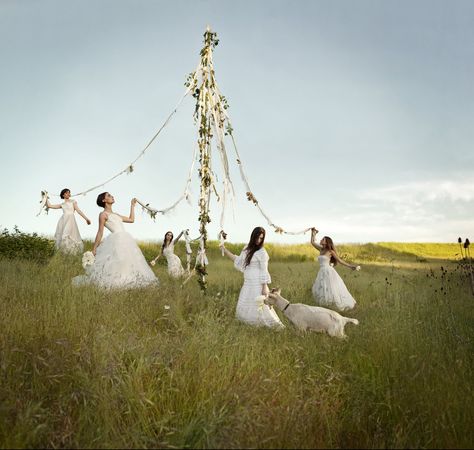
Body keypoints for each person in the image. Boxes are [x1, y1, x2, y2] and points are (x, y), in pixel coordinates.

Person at [73, 192, 158, 289]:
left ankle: (127, 281)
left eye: (111, 195)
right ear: (104, 200)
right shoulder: (103, 214)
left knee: (128, 261)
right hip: (117, 240)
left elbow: (131, 219)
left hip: (126, 239)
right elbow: (100, 232)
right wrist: (94, 248)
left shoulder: (116, 214)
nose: (112, 196)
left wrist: (132, 206)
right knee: (119, 260)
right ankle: (118, 282)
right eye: (109, 196)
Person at [221, 227, 284, 328]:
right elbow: (239, 261)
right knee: (245, 302)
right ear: (252, 236)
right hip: (248, 282)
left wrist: (264, 286)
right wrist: (225, 250)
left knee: (260, 304)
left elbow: (264, 270)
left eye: (261, 238)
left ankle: (263, 325)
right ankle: (247, 324)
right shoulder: (246, 248)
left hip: (258, 283)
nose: (258, 241)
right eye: (257, 238)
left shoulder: (262, 252)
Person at [310, 228, 359, 311]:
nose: (321, 240)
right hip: (322, 271)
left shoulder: (330, 251)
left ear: (327, 242)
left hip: (329, 272)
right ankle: (325, 305)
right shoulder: (321, 249)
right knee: (322, 289)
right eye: (321, 239)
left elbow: (339, 261)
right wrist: (313, 233)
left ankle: (334, 304)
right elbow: (312, 242)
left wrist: (351, 266)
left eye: (323, 239)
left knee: (331, 288)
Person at [46, 188, 91, 254]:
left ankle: (72, 252)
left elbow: (78, 211)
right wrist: (45, 197)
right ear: (63, 195)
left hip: (70, 220)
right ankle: (65, 252)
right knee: (63, 235)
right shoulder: (62, 204)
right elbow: (50, 206)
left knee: (67, 235)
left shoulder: (73, 201)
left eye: (69, 192)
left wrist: (86, 219)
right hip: (63, 220)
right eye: (67, 193)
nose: (68, 194)